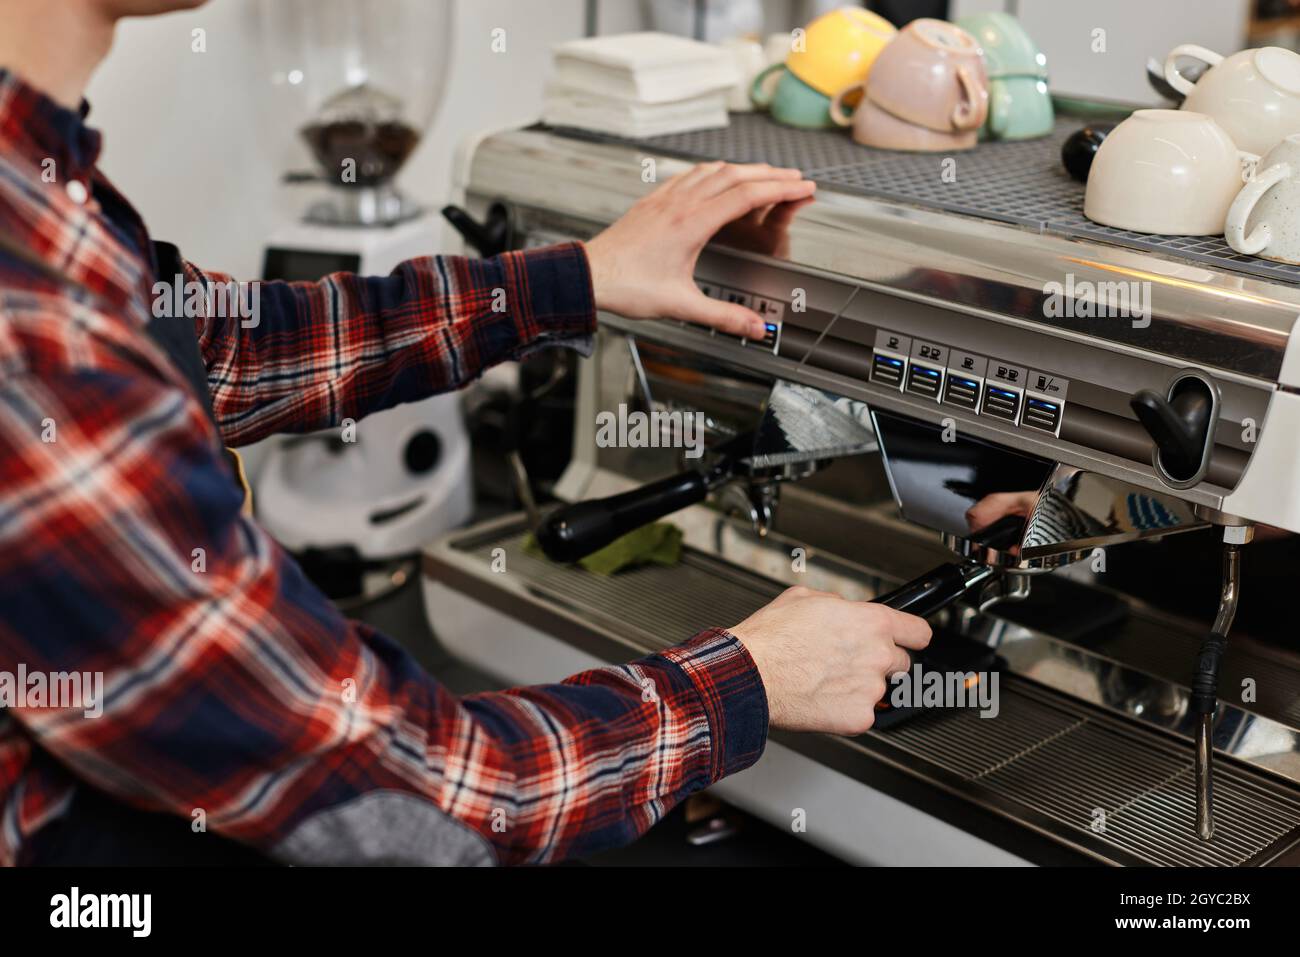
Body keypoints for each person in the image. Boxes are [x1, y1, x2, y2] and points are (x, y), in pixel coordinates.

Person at [0, 0, 931, 866]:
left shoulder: (39, 182)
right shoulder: (31, 321)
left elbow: (231, 349)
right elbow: (411, 797)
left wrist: (571, 281)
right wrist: (749, 679)